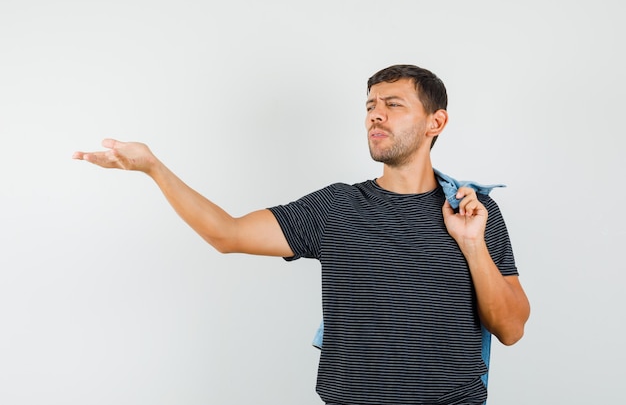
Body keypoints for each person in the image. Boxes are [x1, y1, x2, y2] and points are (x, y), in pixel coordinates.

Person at [73, 64, 530, 405]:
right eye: (370, 106)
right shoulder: (337, 207)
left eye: (393, 105)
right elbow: (227, 234)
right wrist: (154, 168)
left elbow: (510, 329)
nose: (376, 115)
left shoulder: (473, 211)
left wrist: (471, 242)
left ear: (436, 122)